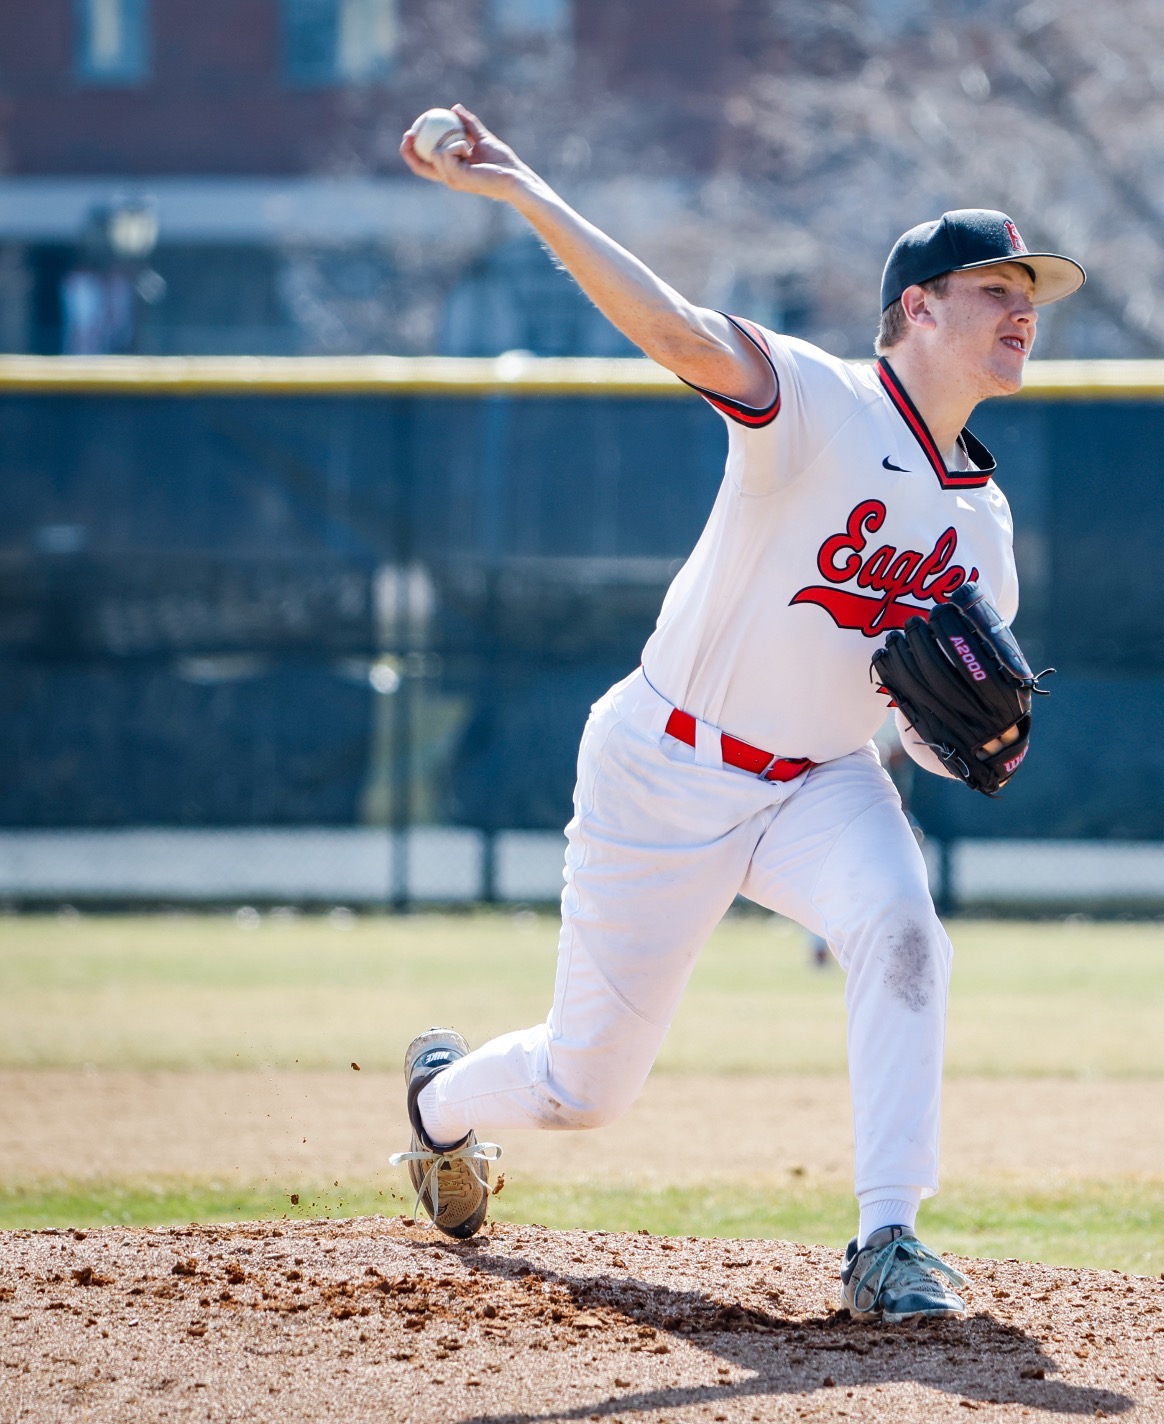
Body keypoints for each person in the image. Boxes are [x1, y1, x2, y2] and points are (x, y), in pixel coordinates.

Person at [389, 104, 1083, 1322]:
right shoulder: (813, 400)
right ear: (916, 307)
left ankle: (887, 1235)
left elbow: (918, 719)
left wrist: (975, 736)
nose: (1021, 307)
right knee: (583, 1085)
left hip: (818, 779)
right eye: (990, 286)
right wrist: (526, 191)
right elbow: (666, 325)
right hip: (665, 766)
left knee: (905, 932)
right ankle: (440, 1104)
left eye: (1031, 292)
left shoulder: (984, 522)